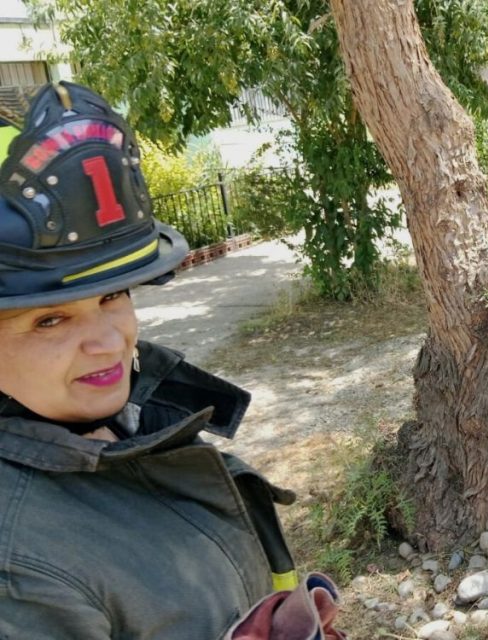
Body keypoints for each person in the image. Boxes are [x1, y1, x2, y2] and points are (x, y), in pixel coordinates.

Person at [0, 81, 340, 639]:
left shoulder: (129, 416)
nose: (109, 342)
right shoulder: (17, 575)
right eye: (50, 320)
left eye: (113, 296)